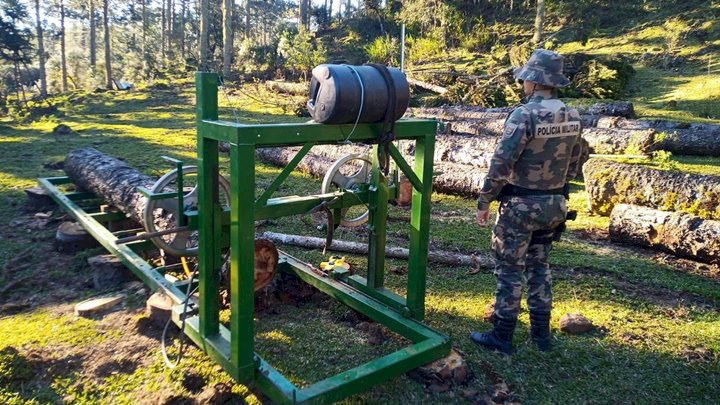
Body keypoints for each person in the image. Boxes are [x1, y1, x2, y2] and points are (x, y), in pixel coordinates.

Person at [469, 49, 583, 354]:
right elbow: (576, 161)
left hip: (520, 207)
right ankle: (541, 336)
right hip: (555, 204)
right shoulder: (573, 115)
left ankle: (502, 336)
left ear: (532, 81)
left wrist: (485, 200)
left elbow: (502, 162)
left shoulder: (524, 114)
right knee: (539, 266)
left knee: (509, 268)